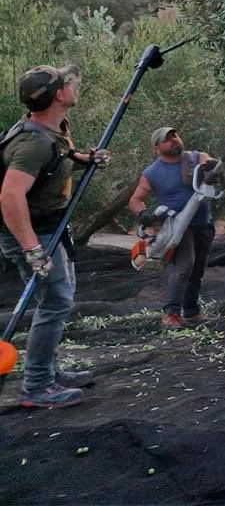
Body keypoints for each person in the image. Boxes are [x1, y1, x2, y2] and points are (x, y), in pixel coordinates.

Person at [0, 65, 110, 408]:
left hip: (51, 229)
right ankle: (37, 386)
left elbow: (59, 156)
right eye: (66, 83)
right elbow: (10, 196)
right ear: (58, 95)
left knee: (58, 299)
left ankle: (47, 370)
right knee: (55, 302)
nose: (72, 85)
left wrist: (86, 158)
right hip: (33, 235)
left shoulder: (50, 129)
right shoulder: (30, 142)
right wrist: (32, 248)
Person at [128, 127, 215, 330]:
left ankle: (191, 311)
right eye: (167, 139)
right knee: (185, 266)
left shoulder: (196, 158)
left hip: (203, 223)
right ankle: (171, 314)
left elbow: (210, 165)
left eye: (174, 136)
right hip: (177, 227)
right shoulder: (152, 173)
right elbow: (135, 200)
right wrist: (144, 214)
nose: (173, 140)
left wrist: (211, 169)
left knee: (197, 269)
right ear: (156, 148)